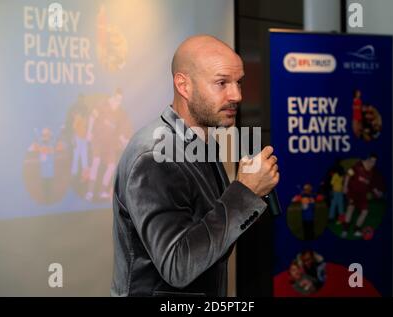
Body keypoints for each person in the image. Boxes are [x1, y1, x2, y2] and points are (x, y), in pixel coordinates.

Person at [111, 35, 279, 297]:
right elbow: (179, 266)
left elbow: (210, 241)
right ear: (184, 85)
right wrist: (244, 192)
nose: (237, 95)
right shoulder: (154, 156)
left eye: (238, 82)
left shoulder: (199, 143)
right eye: (222, 82)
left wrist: (250, 194)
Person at [342, 154, 383, 238]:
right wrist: (345, 186)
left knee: (365, 212)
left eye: (375, 162)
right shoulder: (358, 166)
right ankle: (345, 230)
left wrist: (377, 192)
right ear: (368, 159)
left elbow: (371, 184)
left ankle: (356, 230)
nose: (373, 163)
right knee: (350, 209)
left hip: (362, 195)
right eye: (371, 161)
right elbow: (348, 175)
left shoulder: (371, 172)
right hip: (352, 193)